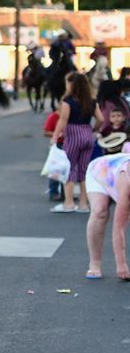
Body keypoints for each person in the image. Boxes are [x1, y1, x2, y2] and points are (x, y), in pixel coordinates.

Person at [52, 71, 97, 214]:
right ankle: (84, 204)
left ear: (72, 84)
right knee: (84, 170)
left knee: (69, 168)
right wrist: (93, 129)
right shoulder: (91, 101)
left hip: (73, 135)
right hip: (87, 134)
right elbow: (101, 119)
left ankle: (69, 203)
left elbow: (63, 119)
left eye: (67, 83)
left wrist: (55, 136)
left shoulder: (68, 101)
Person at [81, 152, 130, 281]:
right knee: (100, 211)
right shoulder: (127, 183)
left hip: (118, 168)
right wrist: (121, 265)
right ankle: (95, 263)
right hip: (100, 171)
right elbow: (118, 227)